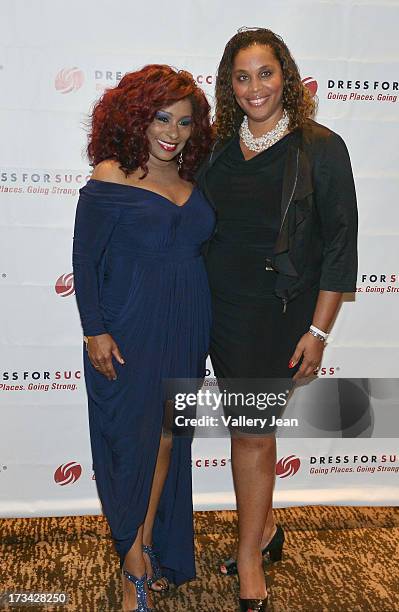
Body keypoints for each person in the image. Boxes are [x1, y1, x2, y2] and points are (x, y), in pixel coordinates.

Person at [197, 28, 358, 611]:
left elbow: (341, 245)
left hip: (278, 318)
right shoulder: (216, 149)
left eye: (266, 73)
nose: (255, 87)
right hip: (217, 312)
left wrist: (318, 331)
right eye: (243, 77)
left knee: (252, 433)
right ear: (229, 85)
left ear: (285, 77)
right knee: (248, 432)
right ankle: (263, 533)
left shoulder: (319, 147)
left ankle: (248, 559)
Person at [72, 64, 214, 612]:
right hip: (129, 327)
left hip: (189, 324)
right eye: (161, 117)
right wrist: (94, 330)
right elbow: (85, 260)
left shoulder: (193, 181)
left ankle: (146, 542)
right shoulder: (112, 174)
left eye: (183, 122)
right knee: (131, 443)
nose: (171, 132)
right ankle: (133, 561)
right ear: (136, 116)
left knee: (167, 440)